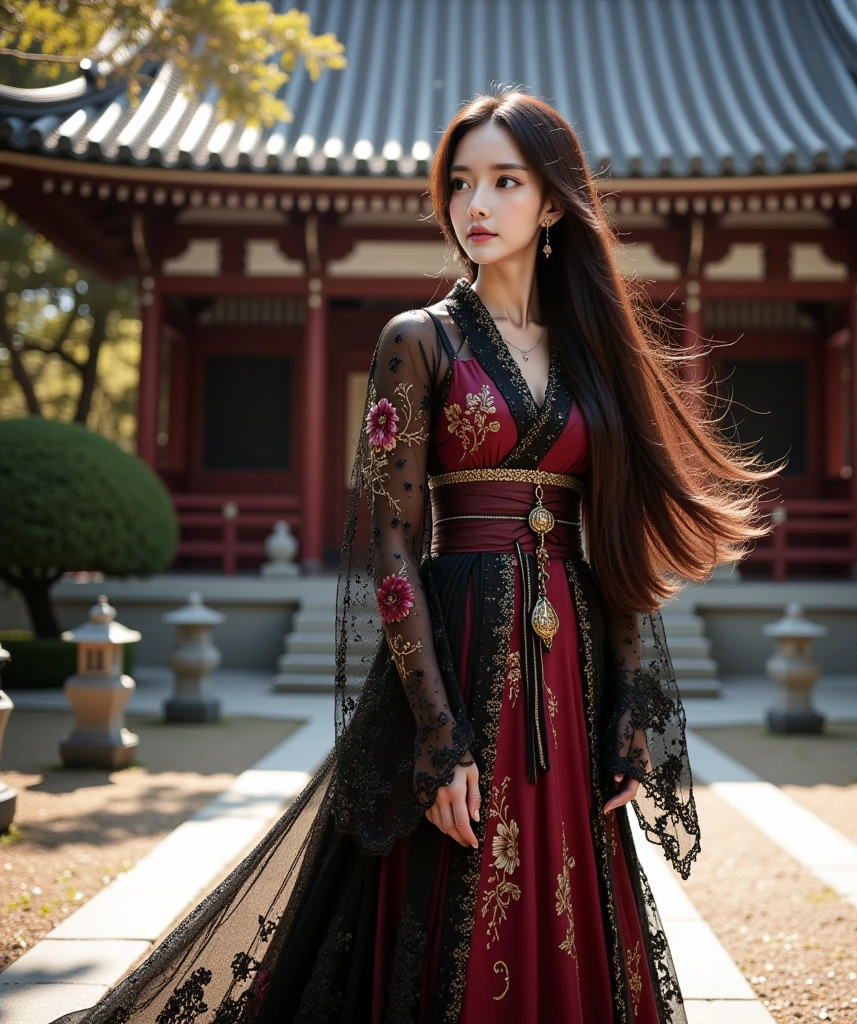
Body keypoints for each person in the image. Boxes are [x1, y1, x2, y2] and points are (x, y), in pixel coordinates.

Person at [48, 89, 776, 1024]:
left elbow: (620, 537)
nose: (476, 203)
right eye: (461, 182)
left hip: (573, 651)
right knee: (446, 881)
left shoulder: (597, 353)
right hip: (461, 639)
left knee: (574, 891)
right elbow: (392, 545)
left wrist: (628, 704)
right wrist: (437, 732)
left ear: (553, 203)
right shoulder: (417, 342)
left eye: (505, 181)